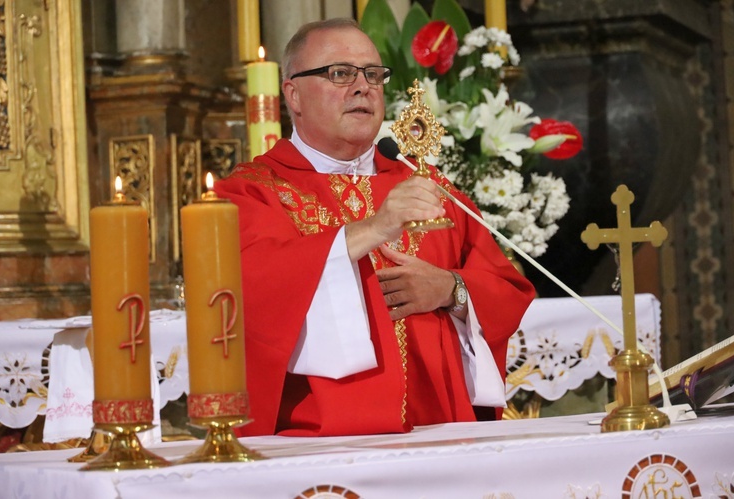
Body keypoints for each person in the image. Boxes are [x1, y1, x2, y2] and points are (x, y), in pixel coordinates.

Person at [214, 18, 535, 437]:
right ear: (293, 94)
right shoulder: (251, 193)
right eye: (340, 74)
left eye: (373, 74)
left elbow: (505, 288)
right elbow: (250, 293)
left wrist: (450, 290)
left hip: (442, 433)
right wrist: (376, 227)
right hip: (317, 443)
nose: (363, 86)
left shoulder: (427, 186)